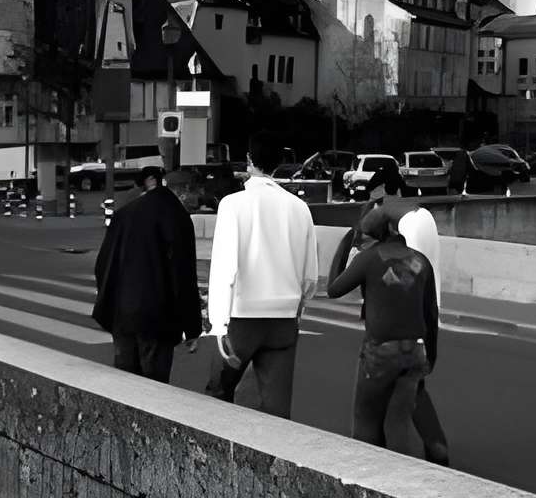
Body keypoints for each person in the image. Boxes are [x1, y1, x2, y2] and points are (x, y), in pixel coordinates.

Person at [329, 163, 450, 464]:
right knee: (407, 403)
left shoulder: (375, 251)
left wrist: (346, 248)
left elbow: (334, 289)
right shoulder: (420, 244)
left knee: (369, 416)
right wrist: (431, 352)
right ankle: (434, 452)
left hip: (385, 344)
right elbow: (428, 304)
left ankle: (380, 466)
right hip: (417, 341)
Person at [204, 127, 318, 417]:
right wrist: (298, 307)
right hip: (284, 319)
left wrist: (218, 323)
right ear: (280, 161)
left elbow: (225, 269)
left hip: (242, 317)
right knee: (277, 409)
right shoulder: (300, 208)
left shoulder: (232, 205)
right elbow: (310, 277)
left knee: (218, 395)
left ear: (248, 159)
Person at [92, 160, 203, 380]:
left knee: (125, 383)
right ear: (183, 191)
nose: (197, 201)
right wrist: (192, 327)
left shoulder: (125, 213)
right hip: (157, 318)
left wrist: (109, 305)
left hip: (122, 314)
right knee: (153, 386)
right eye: (195, 193)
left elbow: (102, 264)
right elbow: (183, 274)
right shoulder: (177, 217)